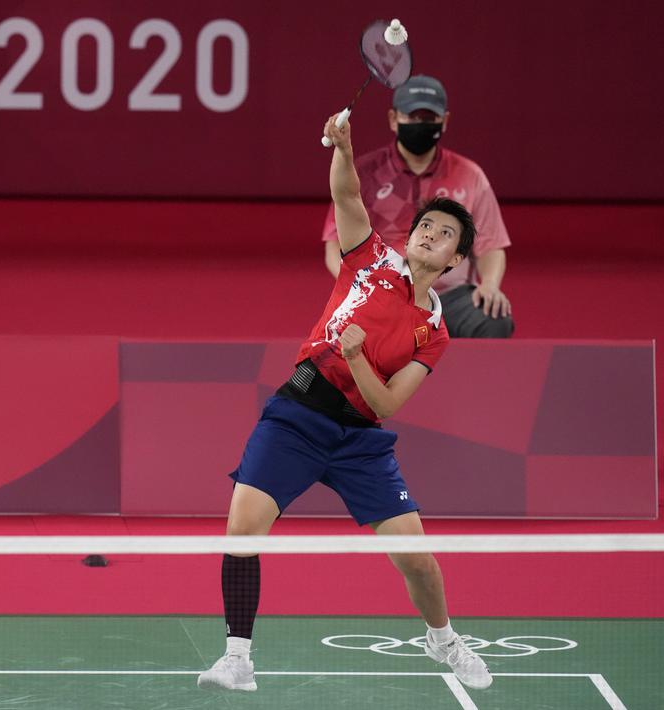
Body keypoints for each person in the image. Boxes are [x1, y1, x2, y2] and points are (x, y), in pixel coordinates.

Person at [197, 113, 493, 694]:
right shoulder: (371, 258)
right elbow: (346, 193)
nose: (430, 235)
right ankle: (237, 658)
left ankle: (444, 639)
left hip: (360, 441)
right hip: (298, 416)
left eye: (444, 234)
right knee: (241, 532)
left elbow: (388, 401)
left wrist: (357, 357)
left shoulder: (434, 329)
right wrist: (345, 145)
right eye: (425, 226)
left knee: (419, 562)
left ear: (456, 260)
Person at [322, 75, 513, 338]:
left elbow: (490, 245)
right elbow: (335, 245)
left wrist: (490, 285)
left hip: (451, 298)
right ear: (393, 119)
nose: (420, 124)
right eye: (412, 116)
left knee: (493, 320)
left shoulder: (469, 174)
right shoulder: (365, 173)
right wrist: (364, 285)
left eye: (428, 117)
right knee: (351, 331)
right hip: (385, 293)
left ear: (444, 121)